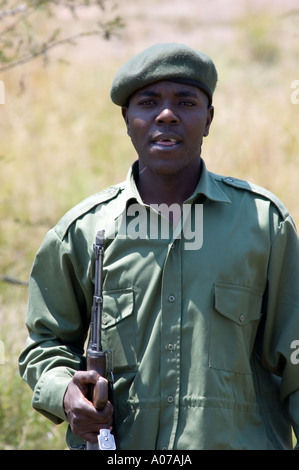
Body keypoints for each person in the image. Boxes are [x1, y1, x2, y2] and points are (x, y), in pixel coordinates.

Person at [19, 43, 299, 450]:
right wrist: (66, 392)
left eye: (185, 102)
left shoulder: (263, 225)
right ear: (127, 120)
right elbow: (44, 344)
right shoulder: (83, 231)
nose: (166, 115)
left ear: (208, 119)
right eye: (148, 102)